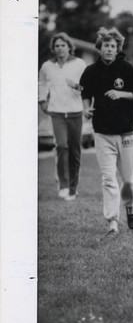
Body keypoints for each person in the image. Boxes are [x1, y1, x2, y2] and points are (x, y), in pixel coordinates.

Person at [79, 27, 133, 237]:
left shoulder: (127, 68)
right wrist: (86, 109)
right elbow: (85, 93)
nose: (109, 49)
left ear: (118, 49)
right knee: (108, 178)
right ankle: (112, 222)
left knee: (128, 177)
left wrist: (121, 94)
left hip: (126, 132)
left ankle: (130, 206)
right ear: (99, 48)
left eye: (113, 46)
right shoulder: (91, 71)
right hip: (102, 133)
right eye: (106, 46)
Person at [38, 32, 87, 201]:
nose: (60, 48)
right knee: (61, 146)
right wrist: (42, 100)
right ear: (53, 48)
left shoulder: (79, 64)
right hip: (56, 112)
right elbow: (42, 83)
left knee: (75, 150)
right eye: (57, 46)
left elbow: (88, 87)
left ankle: (73, 188)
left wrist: (76, 86)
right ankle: (63, 186)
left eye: (63, 45)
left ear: (69, 47)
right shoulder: (47, 66)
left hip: (75, 111)